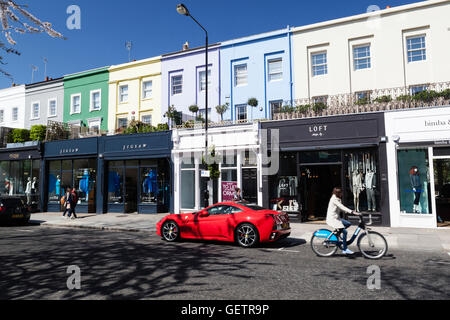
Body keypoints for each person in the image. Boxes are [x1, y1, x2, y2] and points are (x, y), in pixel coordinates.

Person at [326, 187, 360, 255]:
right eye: (341, 193)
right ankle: (345, 249)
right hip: (333, 219)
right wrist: (352, 212)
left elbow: (341, 208)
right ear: (338, 193)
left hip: (337, 218)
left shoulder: (338, 198)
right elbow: (342, 207)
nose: (342, 194)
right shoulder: (334, 199)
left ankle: (337, 234)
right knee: (345, 232)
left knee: (348, 224)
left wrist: (348, 211)